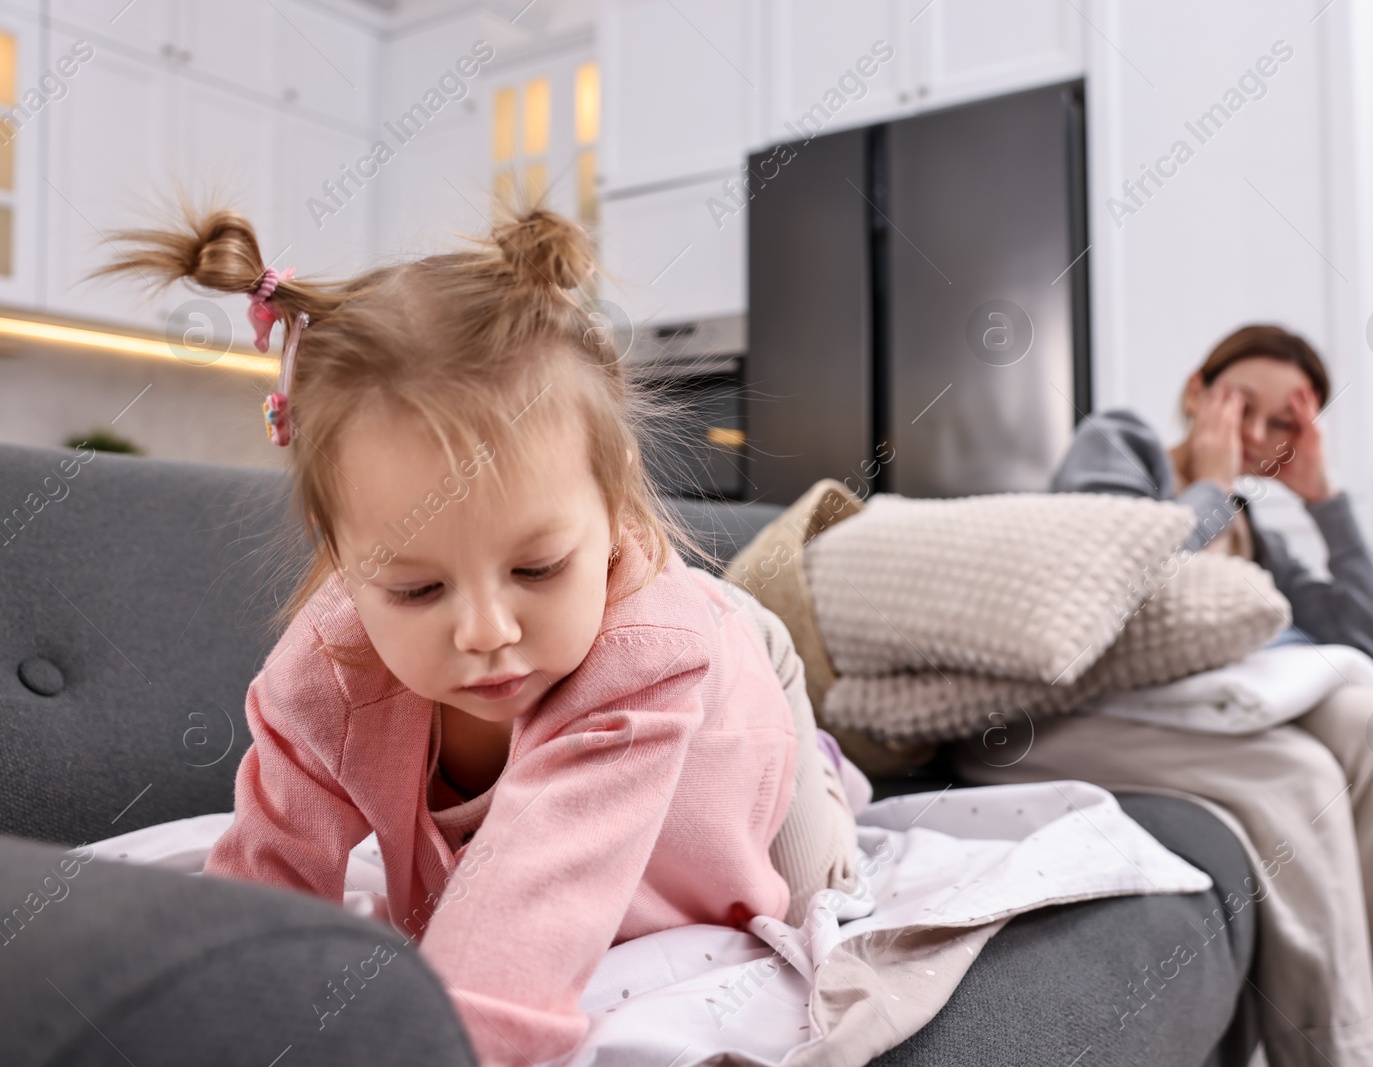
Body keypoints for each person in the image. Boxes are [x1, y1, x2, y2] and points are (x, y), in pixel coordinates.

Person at [102, 207, 859, 1067]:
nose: (488, 631)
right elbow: (258, 890)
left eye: (536, 569)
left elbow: (514, 935)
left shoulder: (648, 658)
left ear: (613, 521)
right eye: (418, 587)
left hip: (734, 703)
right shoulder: (322, 677)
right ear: (341, 561)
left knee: (815, 893)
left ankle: (804, 722)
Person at [958, 325, 1373, 1067]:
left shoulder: (1250, 530)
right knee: (1301, 774)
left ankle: (1355, 983)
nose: (1257, 433)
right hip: (1079, 711)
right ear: (1195, 393)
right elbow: (1113, 576)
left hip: (1200, 708)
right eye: (1243, 404)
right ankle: (1336, 1046)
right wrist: (1210, 485)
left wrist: (1322, 496)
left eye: (1284, 422)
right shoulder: (1122, 443)